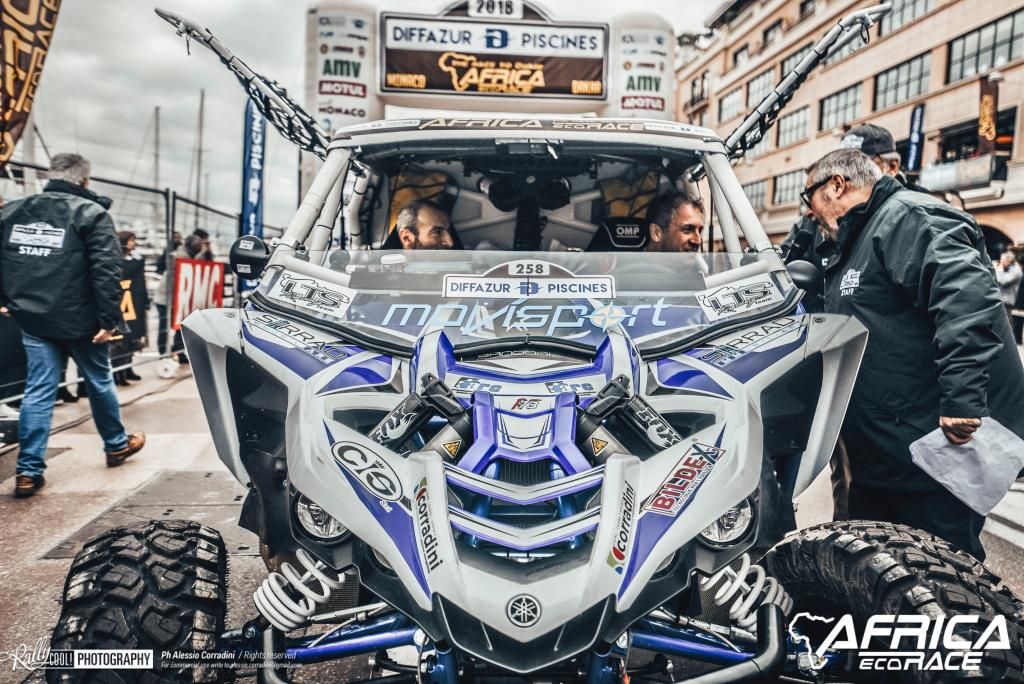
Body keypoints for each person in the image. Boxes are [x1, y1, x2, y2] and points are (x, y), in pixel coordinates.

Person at [803, 148, 1024, 559]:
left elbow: (966, 301)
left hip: (934, 459)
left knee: (940, 572)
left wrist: (962, 399)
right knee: (875, 571)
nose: (809, 212)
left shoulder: (910, 217)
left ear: (837, 185)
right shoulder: (853, 240)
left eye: (809, 197)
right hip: (885, 458)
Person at [0, 153, 146, 497]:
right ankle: (116, 445)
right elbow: (106, 271)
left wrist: (6, 300)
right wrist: (109, 321)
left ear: (51, 175)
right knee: (99, 381)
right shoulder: (91, 213)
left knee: (38, 390)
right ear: (84, 180)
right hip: (84, 323)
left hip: (34, 318)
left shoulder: (13, 211)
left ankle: (28, 470)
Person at [153, 231, 183, 356]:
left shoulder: (178, 253)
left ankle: (174, 350)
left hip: (175, 298)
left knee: (178, 325)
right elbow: (160, 268)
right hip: (165, 298)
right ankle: (163, 351)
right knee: (164, 326)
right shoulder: (171, 254)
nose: (177, 239)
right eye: (175, 237)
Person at [995, 251, 1022, 342]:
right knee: (1003, 322)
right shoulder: (1006, 269)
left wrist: (999, 269)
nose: (1001, 262)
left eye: (1002, 260)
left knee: (1007, 322)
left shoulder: (1016, 271)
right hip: (1002, 299)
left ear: (1008, 261)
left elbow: (1003, 281)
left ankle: (1009, 341)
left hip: (1008, 300)